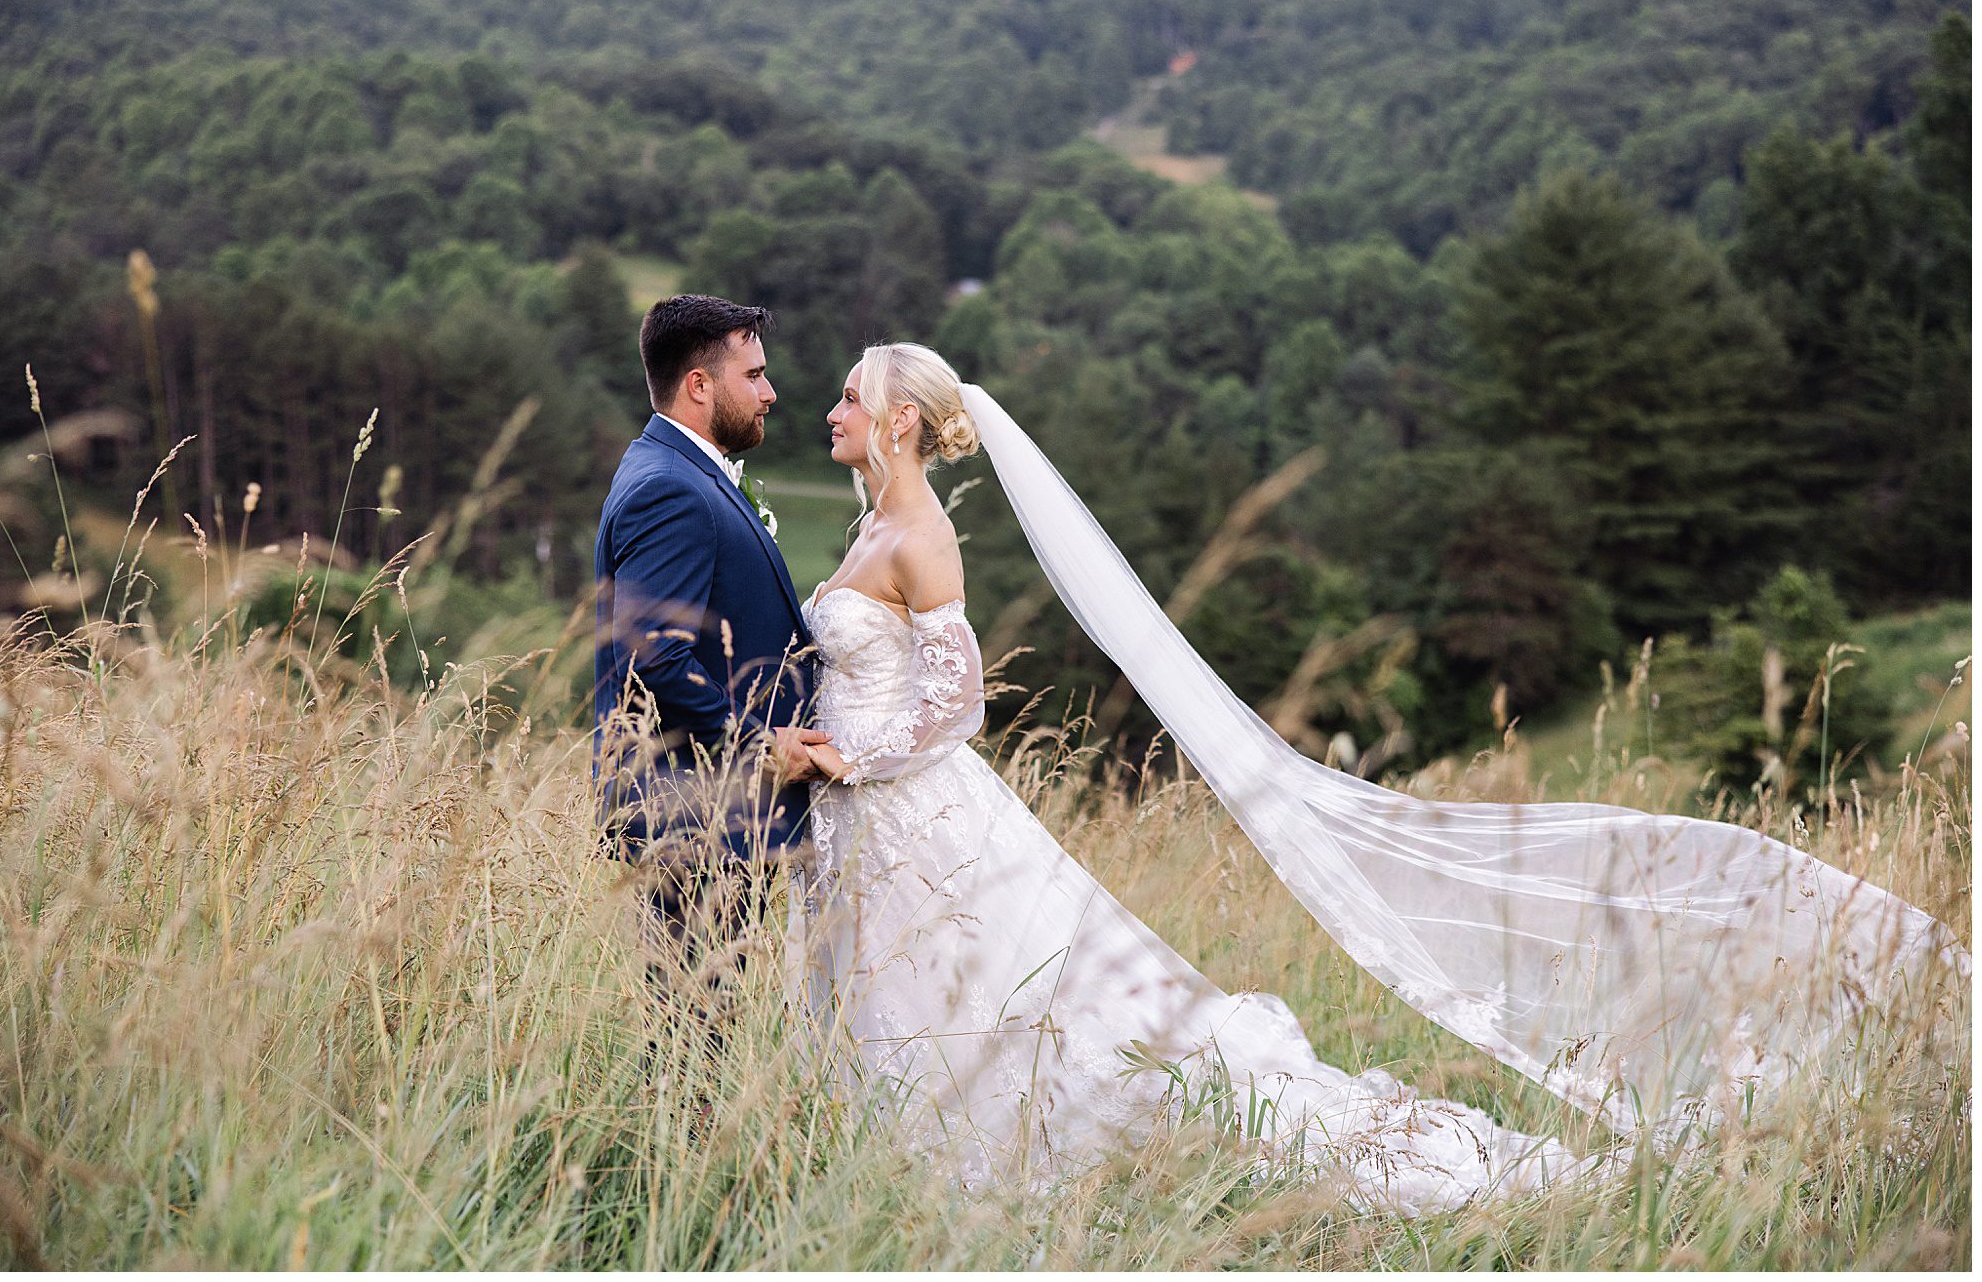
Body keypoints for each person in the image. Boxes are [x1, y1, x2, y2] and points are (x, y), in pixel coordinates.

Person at [779, 341, 1969, 1215]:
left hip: (910, 804)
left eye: (847, 396)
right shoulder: (868, 525)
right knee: (930, 993)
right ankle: (920, 1157)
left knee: (1012, 991)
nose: (829, 407)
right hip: (877, 820)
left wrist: (851, 758)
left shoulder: (917, 533)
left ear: (897, 423)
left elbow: (963, 699)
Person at [592, 295, 830, 1024]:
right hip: (695, 819)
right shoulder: (669, 488)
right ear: (700, 385)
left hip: (711, 819)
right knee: (695, 1042)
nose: (770, 391)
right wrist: (763, 746)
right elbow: (655, 655)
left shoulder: (679, 471)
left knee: (703, 1038)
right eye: (753, 375)